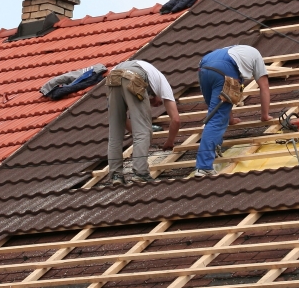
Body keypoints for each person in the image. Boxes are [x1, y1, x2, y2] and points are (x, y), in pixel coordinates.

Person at [195, 45, 271, 177]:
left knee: (216, 112)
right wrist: (265, 116)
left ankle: (215, 145)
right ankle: (204, 167)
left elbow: (226, 98)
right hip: (224, 69)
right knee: (216, 119)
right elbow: (264, 87)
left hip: (204, 67)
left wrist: (230, 119)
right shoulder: (256, 56)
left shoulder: (234, 50)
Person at [107, 60, 181, 184]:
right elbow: (176, 119)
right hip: (134, 75)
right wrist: (169, 141)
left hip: (113, 76)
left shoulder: (150, 76)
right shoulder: (162, 83)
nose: (156, 104)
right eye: (158, 102)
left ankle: (116, 176)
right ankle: (140, 173)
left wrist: (141, 139)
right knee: (144, 130)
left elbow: (122, 119)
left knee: (115, 132)